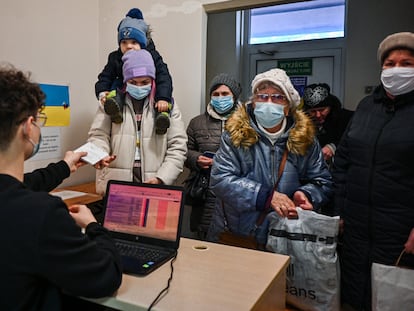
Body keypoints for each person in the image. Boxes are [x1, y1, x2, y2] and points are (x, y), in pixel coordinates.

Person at [0, 64, 122, 311]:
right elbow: (106, 276)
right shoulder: (41, 214)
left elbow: (23, 184)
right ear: (27, 126)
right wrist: (93, 226)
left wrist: (65, 166)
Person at [332, 31, 414, 311]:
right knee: (355, 295)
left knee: (394, 298)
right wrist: (340, 211)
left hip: (400, 233)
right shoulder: (366, 108)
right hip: (355, 228)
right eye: (390, 63)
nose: (397, 69)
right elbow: (343, 162)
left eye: (407, 63)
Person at [206, 68, 333, 245]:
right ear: (254, 102)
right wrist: (265, 196)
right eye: (262, 96)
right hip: (239, 233)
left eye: (278, 97)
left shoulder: (305, 140)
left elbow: (323, 181)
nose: (269, 102)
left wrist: (306, 194)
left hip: (286, 236)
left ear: (288, 107)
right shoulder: (234, 136)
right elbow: (220, 180)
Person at [89, 49, 187, 195]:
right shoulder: (110, 102)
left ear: (152, 80)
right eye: (133, 82)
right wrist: (100, 154)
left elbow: (178, 147)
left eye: (145, 82)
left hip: (154, 185)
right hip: (116, 185)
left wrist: (161, 178)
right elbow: (98, 136)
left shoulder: (167, 106)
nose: (139, 87)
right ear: (125, 81)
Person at [95, 8, 173, 134]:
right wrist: (102, 92)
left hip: (152, 94)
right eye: (124, 42)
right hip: (124, 90)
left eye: (134, 42)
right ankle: (116, 111)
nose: (128, 46)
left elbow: (164, 76)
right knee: (114, 91)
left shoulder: (153, 56)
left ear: (143, 43)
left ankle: (161, 118)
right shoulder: (115, 57)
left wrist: (163, 98)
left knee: (164, 100)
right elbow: (105, 77)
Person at [185, 73, 242, 239]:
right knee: (204, 237)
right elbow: (184, 151)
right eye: (215, 94)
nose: (220, 98)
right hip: (204, 191)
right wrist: (195, 159)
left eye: (225, 94)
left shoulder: (247, 123)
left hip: (235, 191)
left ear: (234, 96)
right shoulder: (197, 123)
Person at [302, 83, 353, 166]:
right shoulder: (302, 121)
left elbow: (352, 140)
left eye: (322, 110)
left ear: (330, 107)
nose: (318, 115)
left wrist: (333, 147)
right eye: (313, 111)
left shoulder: (346, 118)